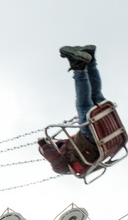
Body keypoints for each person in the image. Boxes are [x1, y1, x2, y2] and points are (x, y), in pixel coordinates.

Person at [36, 46, 111, 176]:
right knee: (83, 105)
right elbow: (54, 159)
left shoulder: (69, 147)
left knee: (96, 97)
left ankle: (91, 61)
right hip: (91, 140)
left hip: (100, 135)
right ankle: (79, 67)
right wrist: (42, 144)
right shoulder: (62, 166)